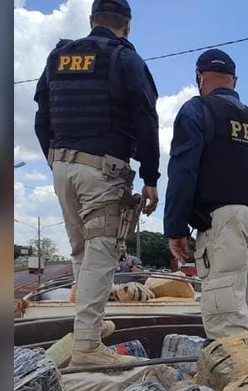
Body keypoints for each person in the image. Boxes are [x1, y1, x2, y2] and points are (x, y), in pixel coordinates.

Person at [33, 0, 160, 365]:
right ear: (128, 26)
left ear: (91, 21)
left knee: (81, 252)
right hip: (102, 170)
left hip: (62, 166)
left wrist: (55, 160)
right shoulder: (126, 59)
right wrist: (150, 178)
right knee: (101, 254)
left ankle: (90, 328)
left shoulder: (58, 57)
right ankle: (88, 347)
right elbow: (146, 120)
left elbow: (42, 119)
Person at [163, 49, 248, 339]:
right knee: (242, 309)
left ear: (199, 78)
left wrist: (175, 227)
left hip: (223, 222)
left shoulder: (197, 109)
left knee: (225, 322)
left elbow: (183, 172)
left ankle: (240, 382)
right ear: (235, 81)